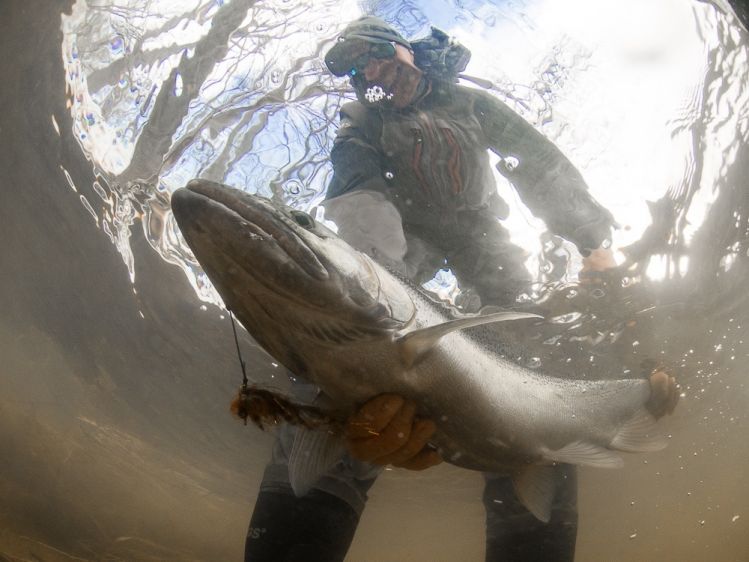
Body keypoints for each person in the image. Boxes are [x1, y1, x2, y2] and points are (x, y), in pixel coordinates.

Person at [240, 16, 678, 561]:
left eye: (376, 55)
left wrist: (593, 242)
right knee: (334, 363)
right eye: (356, 70)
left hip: (485, 243)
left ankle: (530, 492)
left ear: (405, 51)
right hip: (403, 249)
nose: (370, 72)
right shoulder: (360, 127)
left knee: (528, 361)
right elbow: (359, 205)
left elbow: (539, 166)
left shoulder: (470, 104)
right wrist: (371, 322)